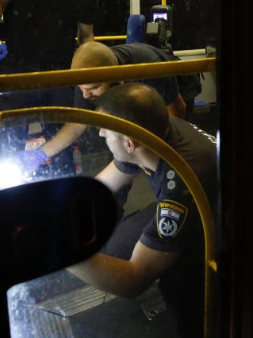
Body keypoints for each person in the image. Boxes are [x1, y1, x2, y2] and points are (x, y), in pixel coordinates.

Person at [66, 83, 218, 337]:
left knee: (180, 292)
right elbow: (101, 185)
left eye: (106, 128)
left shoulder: (180, 188)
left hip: (216, 224)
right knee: (113, 250)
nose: (101, 133)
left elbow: (133, 280)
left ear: (129, 143)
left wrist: (61, 250)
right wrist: (60, 203)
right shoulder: (156, 131)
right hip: (200, 201)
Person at [19, 41, 196, 171]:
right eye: (80, 89)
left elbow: (176, 111)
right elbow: (77, 124)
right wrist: (41, 154)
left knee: (168, 164)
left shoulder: (149, 68)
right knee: (129, 159)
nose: (85, 95)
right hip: (133, 99)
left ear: (116, 80)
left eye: (92, 88)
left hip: (177, 92)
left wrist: (163, 157)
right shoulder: (88, 77)